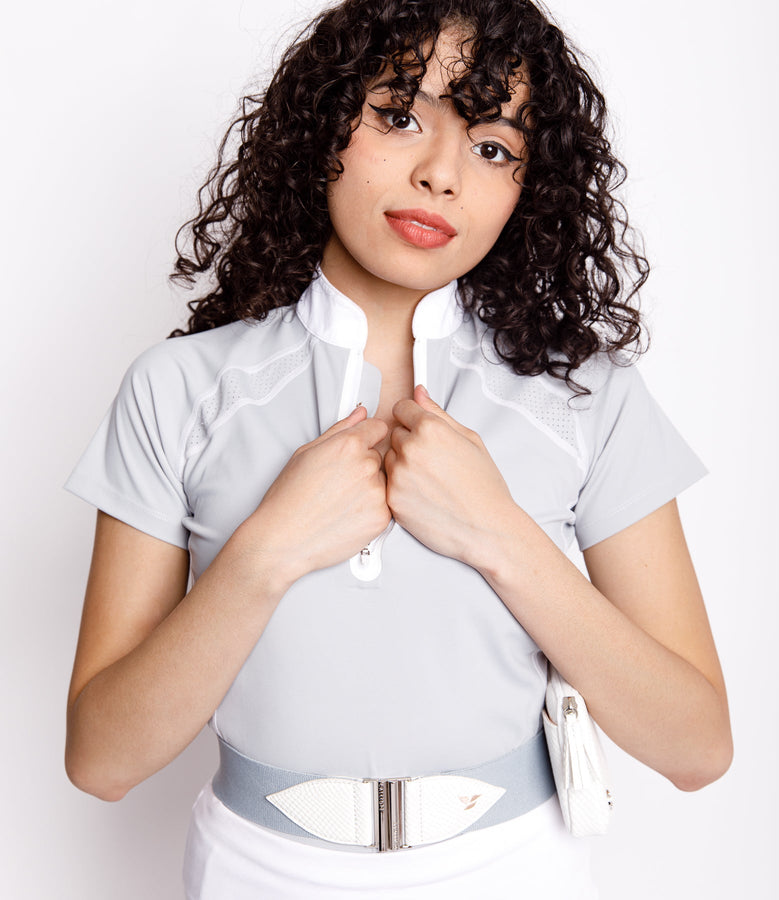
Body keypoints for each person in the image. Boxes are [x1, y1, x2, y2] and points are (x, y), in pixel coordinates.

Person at [64, 0, 732, 897]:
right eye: (400, 115)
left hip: (514, 868)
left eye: (493, 147)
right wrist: (268, 551)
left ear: (527, 193)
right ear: (323, 123)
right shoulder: (177, 388)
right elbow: (102, 760)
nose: (440, 174)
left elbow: (697, 747)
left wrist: (498, 535)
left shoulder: (586, 396)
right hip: (256, 871)